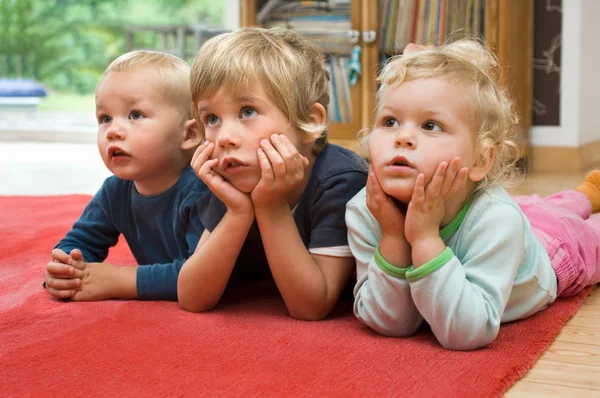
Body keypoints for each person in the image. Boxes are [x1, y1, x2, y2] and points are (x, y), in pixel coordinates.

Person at [344, 39, 600, 350]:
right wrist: (394, 236)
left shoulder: (498, 219)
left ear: (480, 159)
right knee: (541, 211)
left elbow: (467, 332)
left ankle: (588, 194)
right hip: (522, 221)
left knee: (570, 225)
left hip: (557, 249)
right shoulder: (365, 209)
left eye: (430, 125)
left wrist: (425, 238)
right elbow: (390, 322)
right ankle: (586, 193)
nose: (404, 137)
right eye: (390, 121)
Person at [177, 28, 368, 320]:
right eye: (212, 119)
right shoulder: (233, 174)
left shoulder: (340, 180)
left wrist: (271, 206)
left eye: (248, 111)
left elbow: (312, 306)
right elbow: (191, 298)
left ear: (309, 121)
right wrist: (237, 213)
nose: (224, 137)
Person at [44, 50, 207, 301]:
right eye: (105, 118)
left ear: (189, 134)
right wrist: (67, 267)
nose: (113, 131)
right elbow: (82, 241)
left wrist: (119, 280)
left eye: (135, 115)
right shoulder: (115, 191)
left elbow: (204, 277)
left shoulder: (204, 190)